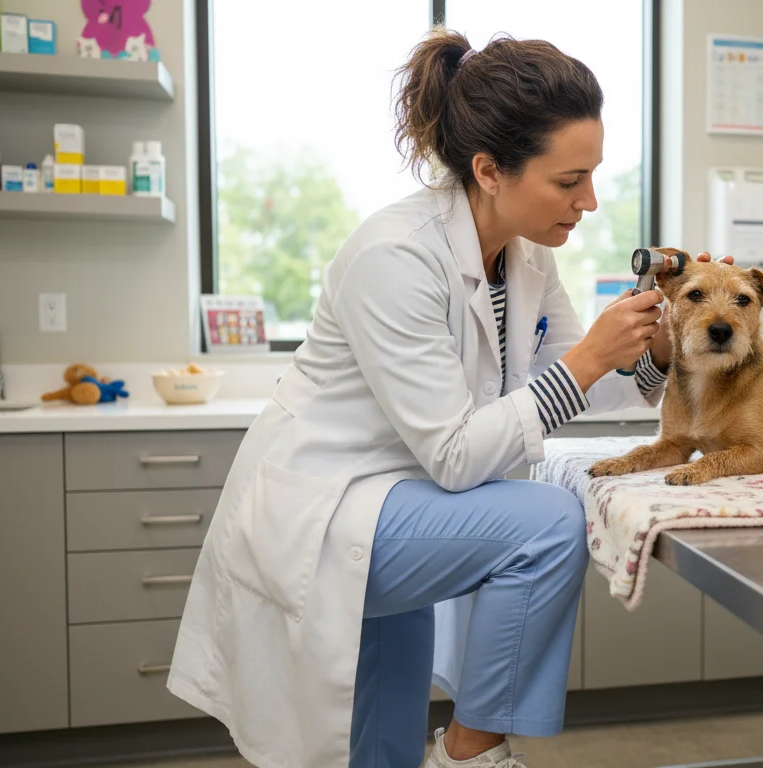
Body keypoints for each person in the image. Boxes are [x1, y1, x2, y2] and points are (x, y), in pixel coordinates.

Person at [168, 27, 731, 768]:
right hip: (330, 511)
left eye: (592, 175)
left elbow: (574, 395)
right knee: (548, 523)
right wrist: (590, 358)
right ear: (490, 169)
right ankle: (472, 751)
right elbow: (462, 454)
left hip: (399, 502)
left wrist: (652, 354)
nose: (589, 201)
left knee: (382, 751)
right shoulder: (394, 256)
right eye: (569, 182)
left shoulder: (525, 257)